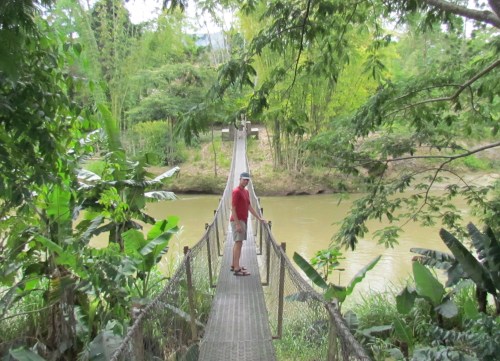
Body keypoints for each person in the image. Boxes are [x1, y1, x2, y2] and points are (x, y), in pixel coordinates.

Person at [230, 171, 266, 276]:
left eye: (247, 180)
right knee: (239, 243)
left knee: (238, 243)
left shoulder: (246, 192)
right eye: (244, 179)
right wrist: (237, 224)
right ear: (240, 179)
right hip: (238, 220)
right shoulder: (236, 191)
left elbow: (249, 207)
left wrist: (259, 218)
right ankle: (237, 269)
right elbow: (233, 208)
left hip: (244, 220)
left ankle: (234, 264)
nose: (246, 181)